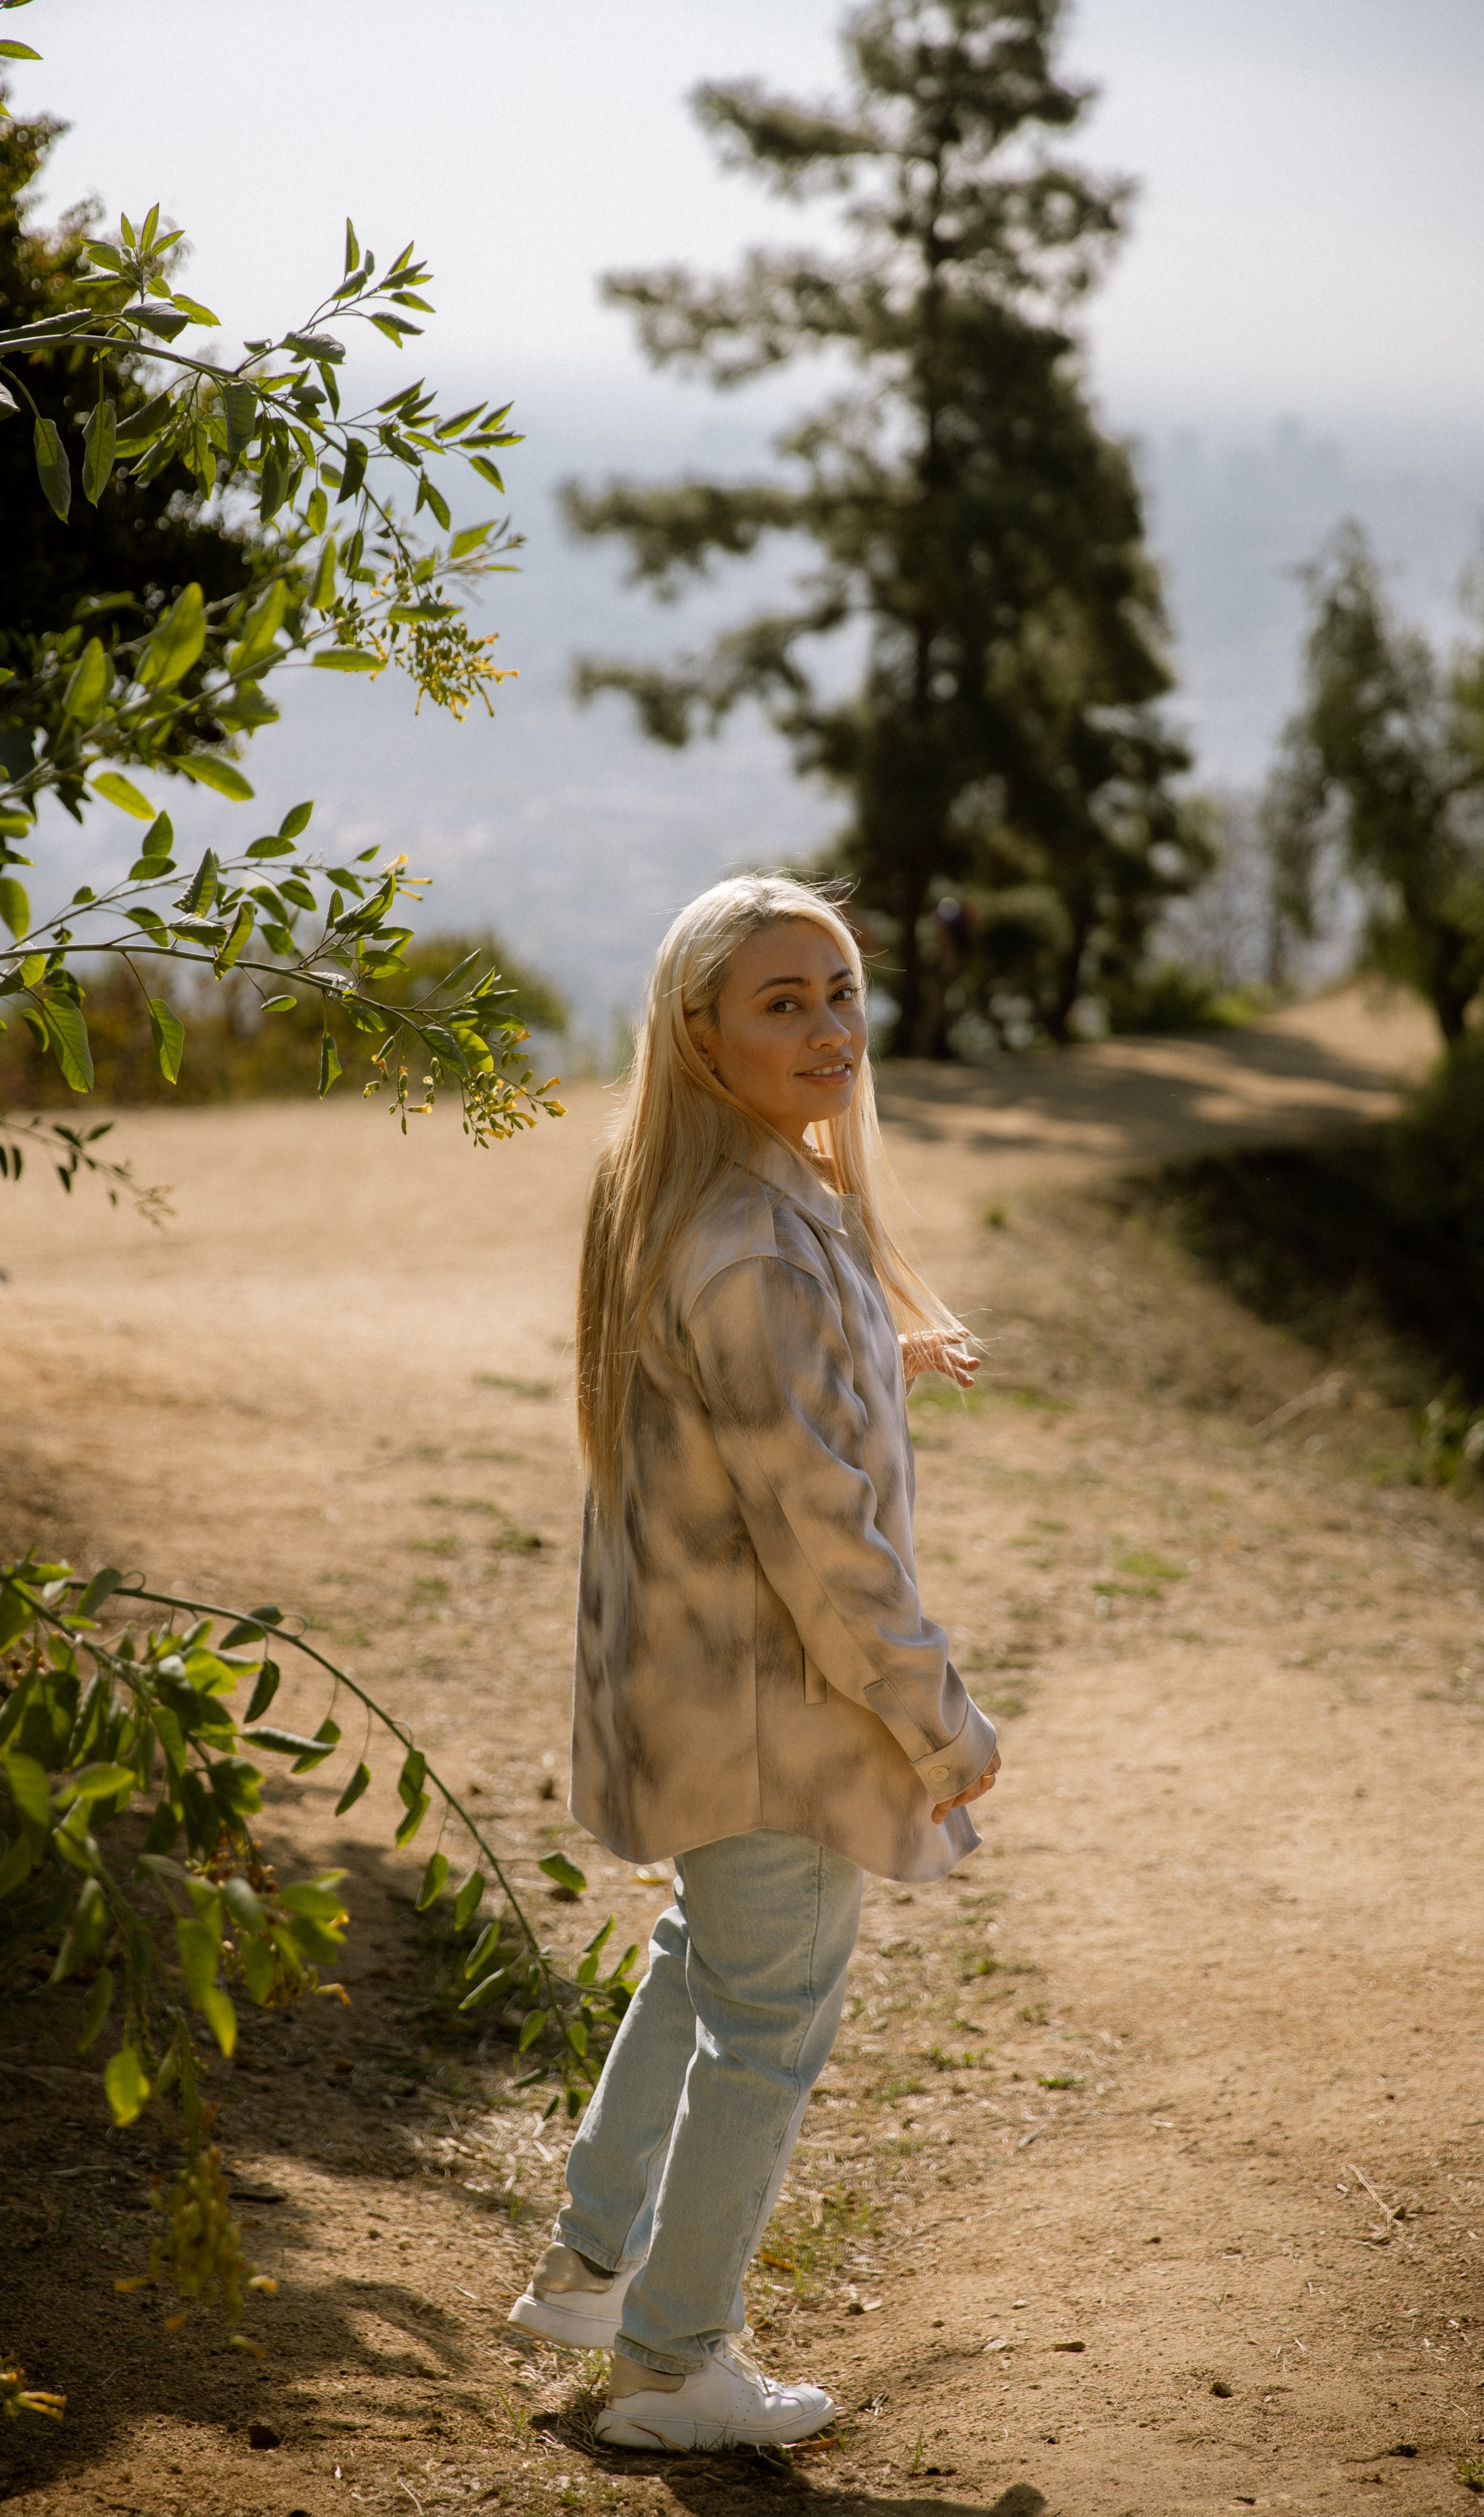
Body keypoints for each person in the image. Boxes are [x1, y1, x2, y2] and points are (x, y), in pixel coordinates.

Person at [507, 874, 1001, 2451]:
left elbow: (747, 1386)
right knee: (766, 2022)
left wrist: (873, 1330)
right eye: (781, 1001)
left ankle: (590, 2266)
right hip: (772, 1709)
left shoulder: (696, 1193)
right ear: (701, 1033)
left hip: (694, 1700)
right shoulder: (758, 1250)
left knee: (703, 1961)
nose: (828, 1026)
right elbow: (823, 1538)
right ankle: (671, 2363)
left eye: (841, 991)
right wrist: (936, 1712)